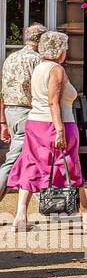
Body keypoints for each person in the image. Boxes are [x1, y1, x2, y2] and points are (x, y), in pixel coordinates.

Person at [7, 31, 87, 233]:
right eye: (65, 48)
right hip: (57, 123)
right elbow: (53, 101)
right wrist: (59, 130)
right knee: (69, 165)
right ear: (60, 51)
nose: (66, 51)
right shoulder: (56, 69)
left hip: (35, 123)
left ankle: (20, 216)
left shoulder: (39, 68)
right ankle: (85, 214)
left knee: (31, 165)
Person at [0, 23, 46, 205]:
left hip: (11, 112)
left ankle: (48, 205)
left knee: (32, 159)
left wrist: (2, 122)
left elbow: (2, 92)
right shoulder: (38, 60)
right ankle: (50, 206)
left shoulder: (11, 58)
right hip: (28, 112)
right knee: (12, 161)